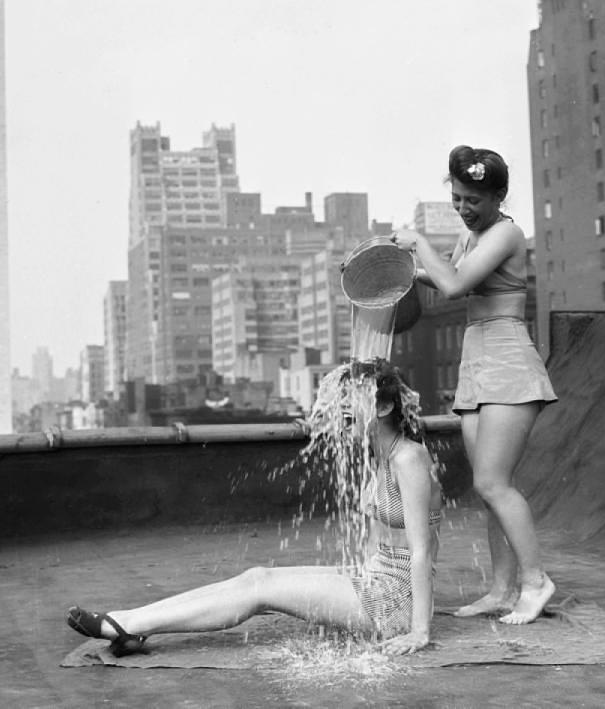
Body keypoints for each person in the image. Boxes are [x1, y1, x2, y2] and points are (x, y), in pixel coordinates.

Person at [66, 358, 444, 657]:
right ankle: (136, 623)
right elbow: (380, 542)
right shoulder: (377, 456)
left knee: (261, 588)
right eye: (342, 397)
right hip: (373, 580)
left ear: (384, 406)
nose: (343, 405)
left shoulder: (408, 460)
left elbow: (422, 550)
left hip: (393, 603)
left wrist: (419, 631)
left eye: (353, 397)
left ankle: (126, 624)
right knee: (256, 576)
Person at [392, 145, 557, 625]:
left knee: (492, 481)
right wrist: (393, 265)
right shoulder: (471, 239)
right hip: (476, 363)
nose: (464, 209)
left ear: (499, 196)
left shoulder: (507, 233)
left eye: (473, 201)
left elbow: (456, 286)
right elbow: (444, 277)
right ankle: (502, 589)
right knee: (489, 489)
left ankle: (535, 581)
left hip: (508, 361)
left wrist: (418, 241)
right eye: (458, 199)